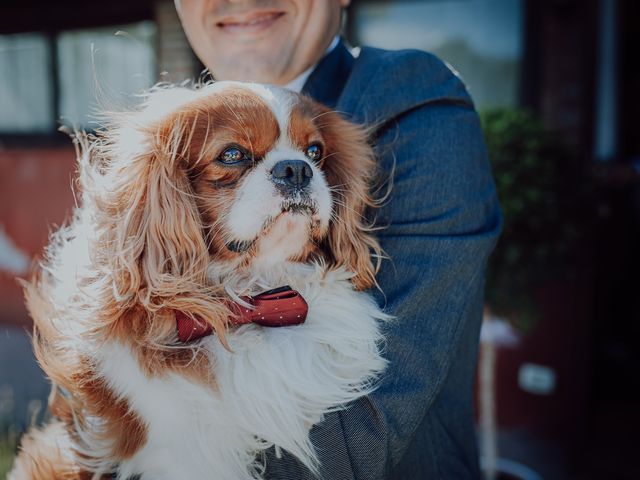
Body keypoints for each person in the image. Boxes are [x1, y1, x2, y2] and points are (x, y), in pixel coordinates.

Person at [176, 1, 501, 478]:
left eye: (313, 151)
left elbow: (361, 436)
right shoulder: (166, 138)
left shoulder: (411, 96)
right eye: (232, 155)